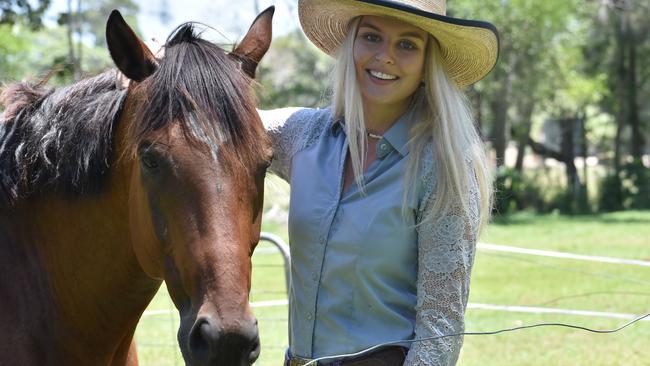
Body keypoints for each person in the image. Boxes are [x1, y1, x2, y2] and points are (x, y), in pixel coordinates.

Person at [259, 0, 498, 364]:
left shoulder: (444, 164)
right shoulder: (304, 135)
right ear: (351, 44)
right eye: (371, 37)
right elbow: (221, 120)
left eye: (407, 44)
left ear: (425, 64)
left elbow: (441, 330)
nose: (385, 56)